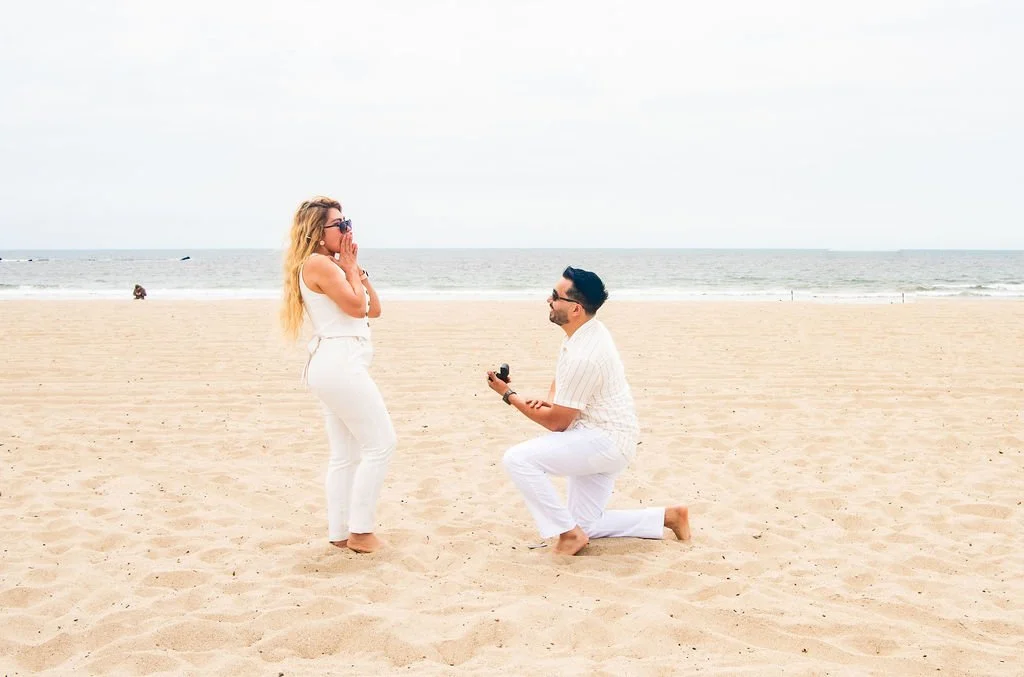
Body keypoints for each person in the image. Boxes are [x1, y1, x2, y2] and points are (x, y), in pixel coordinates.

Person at [487, 266, 690, 556]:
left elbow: (557, 423)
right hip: (604, 434)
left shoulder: (585, 354)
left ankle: (568, 535)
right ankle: (668, 517)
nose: (548, 300)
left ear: (576, 309)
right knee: (588, 523)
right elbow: (562, 381)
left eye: (555, 296)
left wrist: (509, 395)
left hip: (604, 441)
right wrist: (548, 400)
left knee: (517, 460)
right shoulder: (583, 332)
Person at [280, 196, 395, 554]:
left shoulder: (329, 265)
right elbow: (355, 306)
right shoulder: (319, 264)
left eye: (348, 223)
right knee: (381, 444)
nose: (348, 230)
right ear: (318, 232)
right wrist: (348, 269)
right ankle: (361, 532)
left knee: (346, 455)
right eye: (339, 225)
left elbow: (372, 309)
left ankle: (340, 531)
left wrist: (355, 270)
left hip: (336, 363)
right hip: (338, 362)